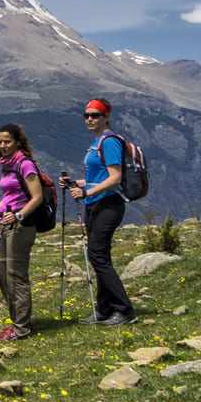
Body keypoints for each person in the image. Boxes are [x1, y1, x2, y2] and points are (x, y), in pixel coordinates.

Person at [62, 98, 135, 326]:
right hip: (96, 203)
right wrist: (76, 183)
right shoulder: (97, 142)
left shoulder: (109, 141)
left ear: (106, 117)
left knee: (97, 255)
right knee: (99, 255)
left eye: (95, 115)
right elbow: (97, 178)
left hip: (109, 203)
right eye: (87, 116)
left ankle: (125, 311)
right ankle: (104, 310)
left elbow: (115, 178)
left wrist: (86, 193)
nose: (90, 119)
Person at [0, 123, 46, 342]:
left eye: (7, 142)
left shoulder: (25, 165)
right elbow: (8, 198)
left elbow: (37, 197)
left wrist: (19, 215)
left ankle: (22, 329)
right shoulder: (8, 165)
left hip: (22, 227)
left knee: (16, 276)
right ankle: (16, 323)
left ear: (17, 142)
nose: (2, 146)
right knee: (3, 275)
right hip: (6, 224)